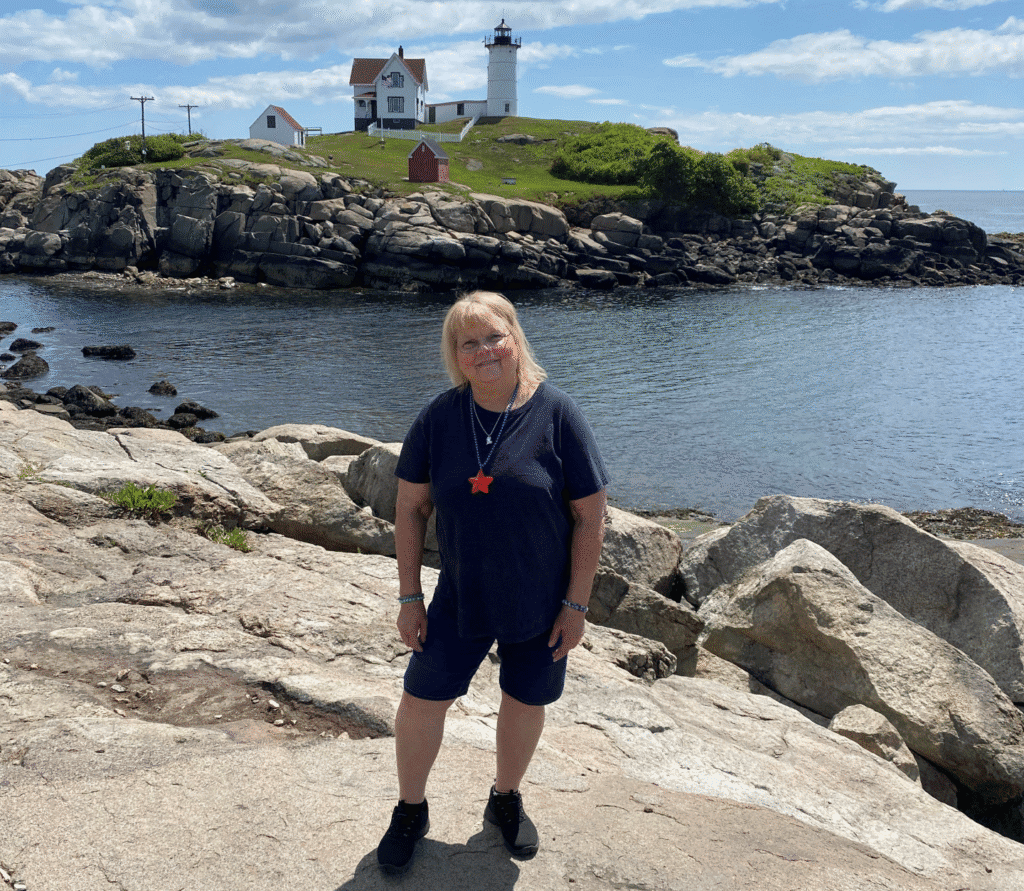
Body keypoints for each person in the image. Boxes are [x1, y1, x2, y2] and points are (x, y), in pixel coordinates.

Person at [376, 290, 609, 874]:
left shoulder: (558, 414)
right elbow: (410, 510)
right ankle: (411, 809)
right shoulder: (440, 417)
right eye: (468, 342)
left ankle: (505, 798)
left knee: (524, 700)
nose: (484, 351)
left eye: (494, 336)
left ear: (516, 338)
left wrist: (576, 604)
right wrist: (409, 597)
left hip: (541, 600)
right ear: (456, 355)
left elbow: (591, 514)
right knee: (422, 699)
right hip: (458, 595)